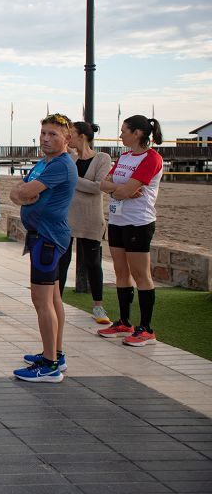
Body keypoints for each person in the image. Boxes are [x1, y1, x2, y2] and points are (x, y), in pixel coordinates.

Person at [9, 114, 78, 382]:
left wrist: (24, 194)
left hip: (49, 239)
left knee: (42, 301)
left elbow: (24, 193)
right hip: (42, 236)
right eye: (44, 133)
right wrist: (22, 193)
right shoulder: (44, 163)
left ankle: (49, 365)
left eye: (53, 134)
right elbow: (19, 192)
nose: (47, 139)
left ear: (67, 138)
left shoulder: (61, 165)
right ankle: (55, 353)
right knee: (53, 299)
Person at [98, 115, 164, 347]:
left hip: (139, 222)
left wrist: (119, 190)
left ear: (137, 133)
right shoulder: (125, 156)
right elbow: (104, 184)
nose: (120, 134)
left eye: (124, 130)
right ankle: (124, 322)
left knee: (141, 275)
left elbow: (128, 191)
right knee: (120, 272)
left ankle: (146, 328)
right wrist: (119, 189)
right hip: (117, 220)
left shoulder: (152, 158)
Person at [58, 122, 113, 324]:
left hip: (91, 217)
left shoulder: (102, 158)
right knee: (62, 262)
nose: (67, 137)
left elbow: (99, 187)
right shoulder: (67, 157)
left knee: (93, 264)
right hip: (67, 216)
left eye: (70, 134)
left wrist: (72, 180)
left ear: (82, 136)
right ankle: (57, 302)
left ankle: (98, 306)